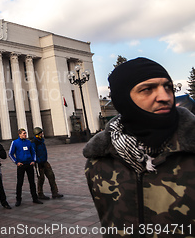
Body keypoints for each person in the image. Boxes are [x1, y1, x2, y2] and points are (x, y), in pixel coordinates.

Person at [84, 57, 195, 237]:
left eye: (168, 87)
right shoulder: (98, 162)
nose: (165, 97)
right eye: (147, 89)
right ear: (122, 98)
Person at [9, 128, 42, 206]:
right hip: (21, 165)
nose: (25, 135)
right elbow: (10, 154)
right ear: (19, 134)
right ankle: (18, 199)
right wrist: (16, 162)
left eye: (25, 133)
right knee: (20, 182)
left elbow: (33, 152)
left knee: (32, 182)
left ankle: (35, 198)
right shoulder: (15, 142)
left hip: (29, 164)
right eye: (23, 133)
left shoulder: (28, 142)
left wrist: (33, 160)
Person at [32, 127, 63, 200]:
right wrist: (37, 160)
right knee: (41, 178)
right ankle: (40, 193)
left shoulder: (41, 141)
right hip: (39, 163)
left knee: (51, 176)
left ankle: (55, 192)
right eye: (41, 133)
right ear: (37, 134)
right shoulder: (34, 142)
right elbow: (33, 153)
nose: (42, 134)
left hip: (45, 161)